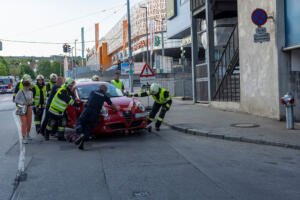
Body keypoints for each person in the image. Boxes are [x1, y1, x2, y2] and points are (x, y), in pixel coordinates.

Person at [74, 84, 119, 150]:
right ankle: (82, 140)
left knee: (80, 122)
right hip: (95, 112)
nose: (106, 90)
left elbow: (88, 100)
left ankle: (80, 134)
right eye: (106, 89)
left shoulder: (93, 92)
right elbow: (111, 105)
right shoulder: (105, 95)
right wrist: (117, 109)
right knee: (88, 126)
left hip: (87, 109)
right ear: (104, 89)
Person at [15, 74, 34, 144]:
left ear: (29, 86)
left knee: (29, 122)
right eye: (25, 86)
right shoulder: (20, 91)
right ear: (23, 86)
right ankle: (23, 137)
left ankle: (28, 134)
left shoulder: (31, 92)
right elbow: (16, 99)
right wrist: (23, 102)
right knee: (24, 123)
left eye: (27, 86)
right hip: (21, 108)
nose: (26, 87)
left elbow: (31, 99)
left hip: (29, 108)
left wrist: (31, 101)